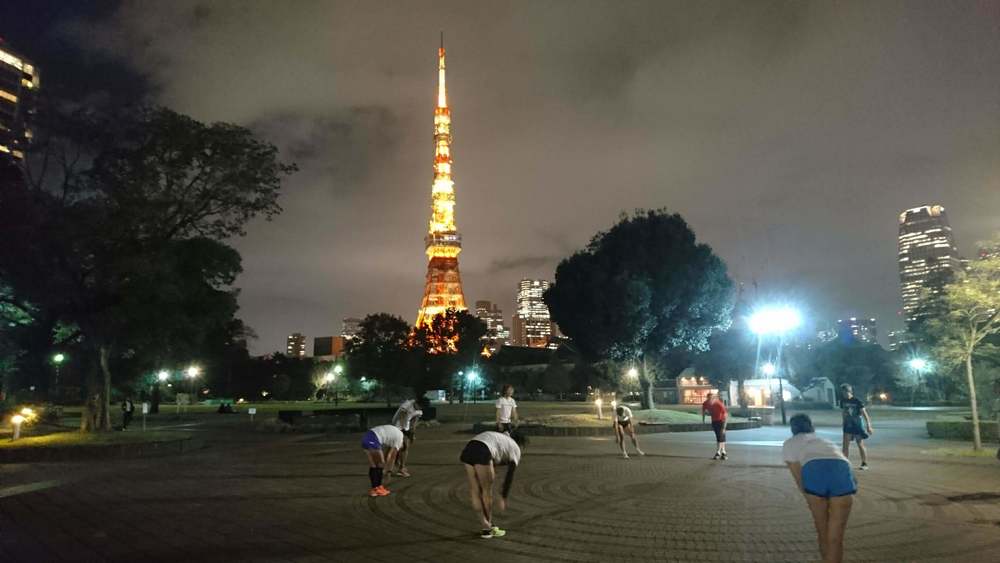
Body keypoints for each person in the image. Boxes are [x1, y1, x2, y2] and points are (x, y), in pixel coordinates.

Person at [783, 414, 857, 563]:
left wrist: (810, 496)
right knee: (836, 537)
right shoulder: (825, 441)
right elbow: (844, 462)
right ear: (811, 426)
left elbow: (798, 477)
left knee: (822, 531)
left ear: (793, 428)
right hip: (842, 471)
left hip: (814, 471)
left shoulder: (790, 443)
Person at [460, 429, 527, 539]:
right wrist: (503, 496)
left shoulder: (500, 438)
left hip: (469, 448)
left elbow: (495, 454)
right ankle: (488, 529)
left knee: (475, 490)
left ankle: (485, 524)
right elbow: (510, 474)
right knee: (486, 492)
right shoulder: (515, 448)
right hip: (483, 450)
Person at [361, 424, 404, 497]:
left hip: (366, 437)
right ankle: (378, 488)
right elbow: (392, 457)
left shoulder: (396, 434)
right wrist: (388, 472)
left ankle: (376, 489)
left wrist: (386, 469)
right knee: (380, 464)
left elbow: (388, 455)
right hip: (373, 438)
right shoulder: (399, 440)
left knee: (373, 465)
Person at [839, 384, 873, 470]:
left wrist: (868, 426)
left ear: (849, 391)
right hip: (848, 425)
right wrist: (843, 423)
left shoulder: (857, 401)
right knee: (845, 445)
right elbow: (844, 412)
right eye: (842, 393)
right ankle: (845, 463)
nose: (843, 394)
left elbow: (865, 414)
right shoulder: (843, 401)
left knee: (860, 444)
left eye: (845, 392)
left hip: (857, 424)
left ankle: (864, 463)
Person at [391, 398, 424, 477]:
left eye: (421, 407)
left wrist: (412, 433)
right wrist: (404, 430)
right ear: (416, 402)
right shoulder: (408, 404)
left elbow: (414, 422)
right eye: (419, 406)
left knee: (405, 447)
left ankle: (400, 466)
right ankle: (398, 467)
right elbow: (402, 415)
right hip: (397, 426)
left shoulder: (419, 410)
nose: (419, 408)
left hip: (406, 427)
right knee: (400, 447)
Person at [701, 392, 728, 460]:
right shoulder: (705, 403)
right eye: (709, 398)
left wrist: (724, 426)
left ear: (714, 398)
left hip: (721, 420)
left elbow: (725, 414)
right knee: (719, 436)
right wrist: (703, 420)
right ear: (707, 398)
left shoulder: (719, 403)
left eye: (711, 398)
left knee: (720, 436)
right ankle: (723, 452)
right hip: (714, 421)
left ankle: (718, 452)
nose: (710, 400)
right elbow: (704, 411)